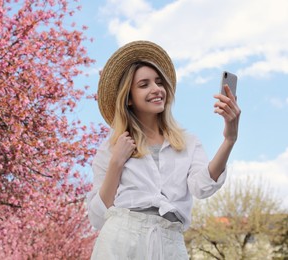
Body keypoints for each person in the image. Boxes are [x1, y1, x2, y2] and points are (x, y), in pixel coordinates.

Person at [87, 40, 241, 259]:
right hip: (121, 241)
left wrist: (229, 139)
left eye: (159, 82)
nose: (156, 89)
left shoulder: (188, 142)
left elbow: (203, 187)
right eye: (144, 84)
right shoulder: (113, 146)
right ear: (128, 98)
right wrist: (116, 163)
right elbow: (97, 216)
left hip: (170, 244)